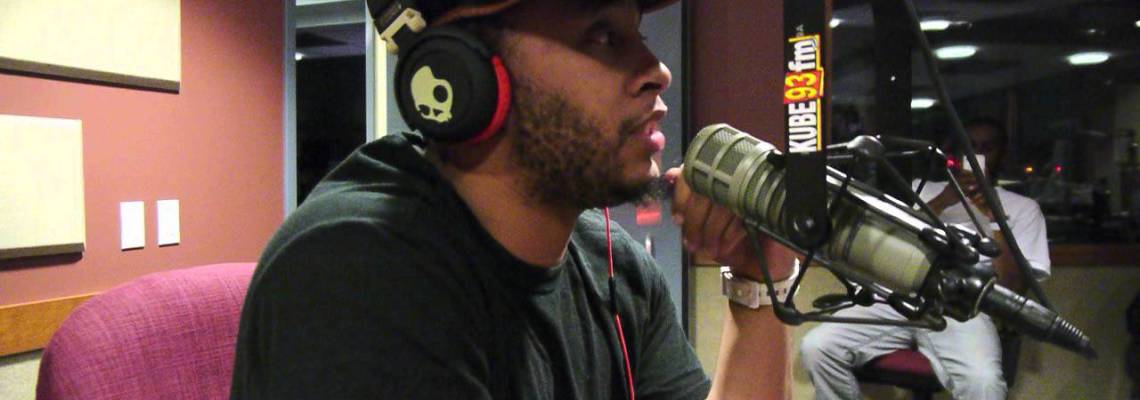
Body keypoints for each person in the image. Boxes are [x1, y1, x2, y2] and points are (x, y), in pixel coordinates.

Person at [230, 0, 797, 398]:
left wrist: (759, 280)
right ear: (459, 77)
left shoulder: (614, 267)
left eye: (640, 36)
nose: (657, 72)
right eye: (601, 35)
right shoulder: (355, 275)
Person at [800, 117, 1051, 399]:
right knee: (817, 348)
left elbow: (1013, 286)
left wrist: (994, 218)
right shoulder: (921, 189)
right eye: (969, 147)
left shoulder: (1023, 208)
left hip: (962, 309)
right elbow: (887, 241)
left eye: (986, 148)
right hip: (898, 297)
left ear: (1001, 154)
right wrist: (944, 200)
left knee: (983, 383)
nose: (976, 155)